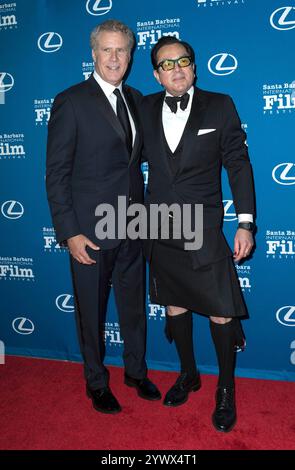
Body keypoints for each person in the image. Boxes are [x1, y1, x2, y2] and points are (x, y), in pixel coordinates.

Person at [46, 20, 161, 415]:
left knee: (133, 308)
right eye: (107, 50)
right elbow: (57, 173)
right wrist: (70, 233)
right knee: (91, 314)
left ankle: (135, 371)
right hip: (90, 233)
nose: (114, 58)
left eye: (122, 51)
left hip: (132, 225)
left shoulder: (136, 98)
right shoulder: (71, 100)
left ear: (130, 56)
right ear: (93, 54)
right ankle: (96, 382)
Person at [141, 36, 255, 432]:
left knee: (221, 310)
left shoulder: (220, 105)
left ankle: (226, 389)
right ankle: (188, 374)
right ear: (157, 75)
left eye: (183, 61)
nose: (176, 69)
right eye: (167, 64)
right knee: (174, 306)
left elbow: (238, 164)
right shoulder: (143, 107)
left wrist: (245, 222)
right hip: (158, 227)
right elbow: (118, 161)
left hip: (203, 226)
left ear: (194, 66)